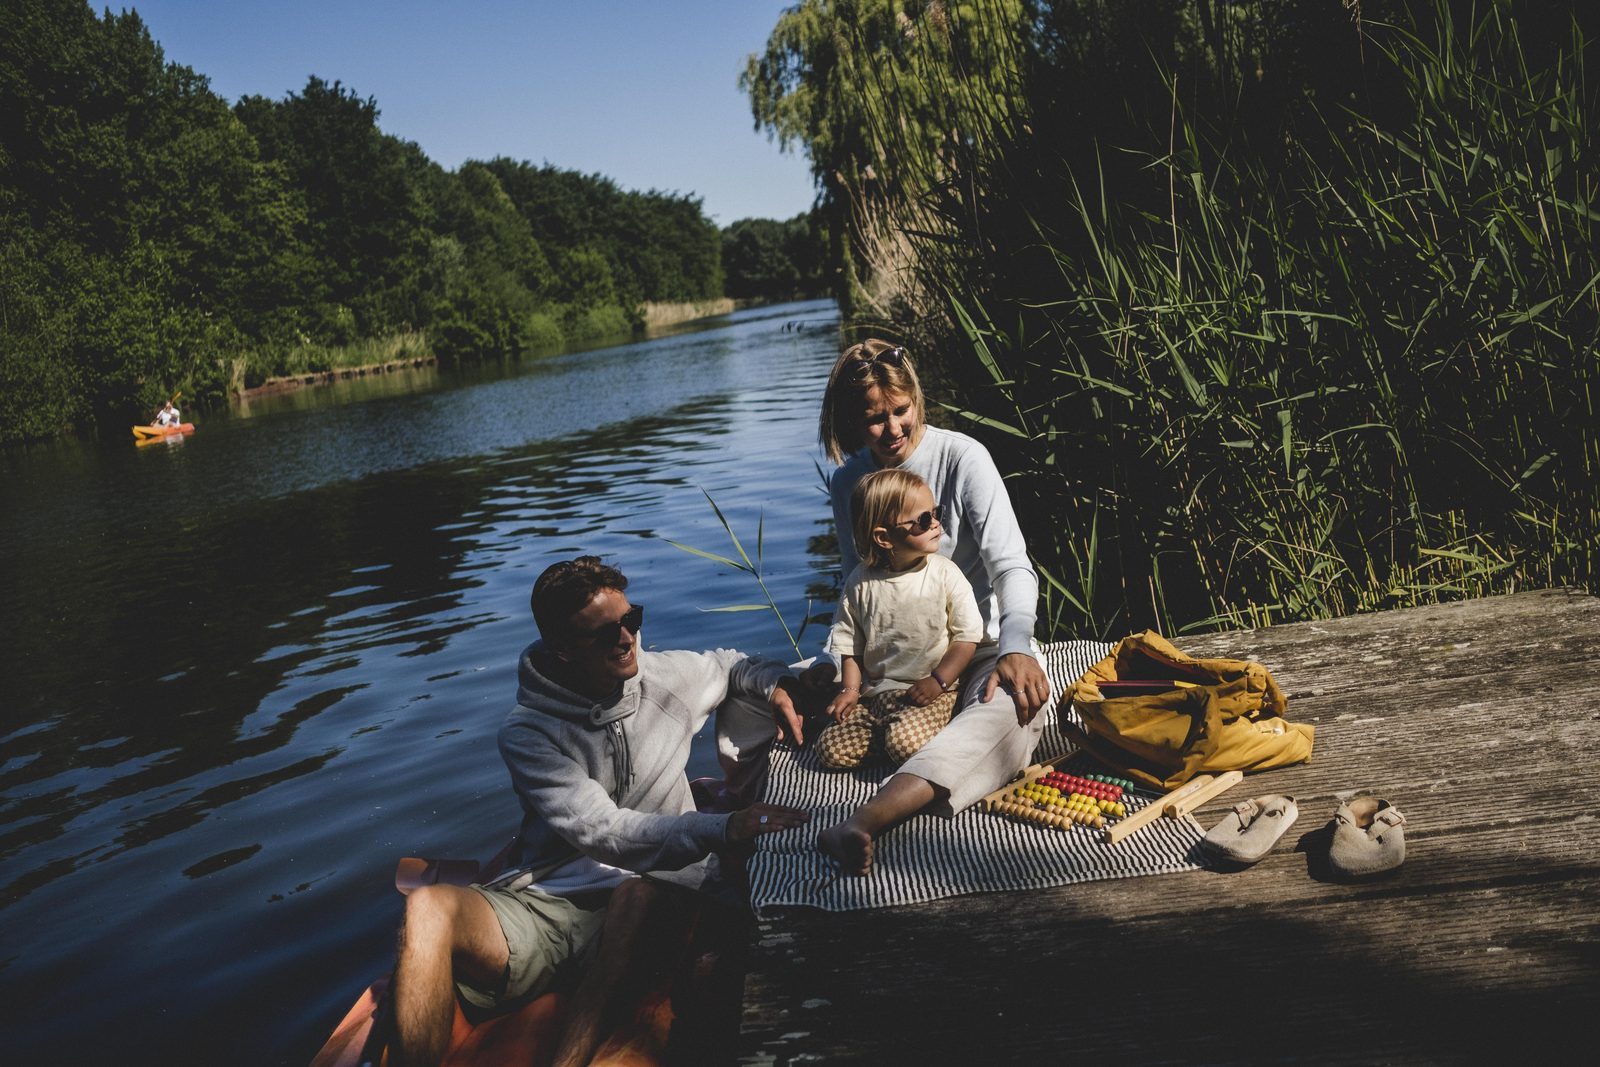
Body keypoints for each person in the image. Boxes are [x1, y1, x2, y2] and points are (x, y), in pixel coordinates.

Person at [388, 555, 810, 1067]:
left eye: (631, 620)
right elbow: (603, 831)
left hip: (652, 890)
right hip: (547, 905)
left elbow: (735, 666)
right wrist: (722, 827)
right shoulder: (529, 734)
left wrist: (778, 684)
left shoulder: (667, 679)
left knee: (634, 898)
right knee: (427, 906)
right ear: (562, 651)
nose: (626, 638)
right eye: (604, 633)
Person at [721, 338, 1052, 875]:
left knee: (1011, 714)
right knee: (749, 698)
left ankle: (869, 817)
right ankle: (740, 816)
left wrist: (1016, 645)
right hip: (889, 662)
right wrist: (838, 666)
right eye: (876, 419)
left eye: (902, 411)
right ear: (851, 420)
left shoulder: (962, 457)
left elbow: (1011, 565)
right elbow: (859, 586)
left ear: (916, 399)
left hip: (978, 649)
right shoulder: (850, 481)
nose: (894, 428)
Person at [815, 467, 984, 770]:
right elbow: (850, 644)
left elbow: (967, 637)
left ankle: (900, 739)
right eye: (922, 520)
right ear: (884, 537)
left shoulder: (944, 573)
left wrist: (939, 681)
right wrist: (851, 691)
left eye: (936, 513)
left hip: (931, 692)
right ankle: (887, 737)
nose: (935, 524)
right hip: (875, 695)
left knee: (904, 744)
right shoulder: (861, 581)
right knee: (829, 751)